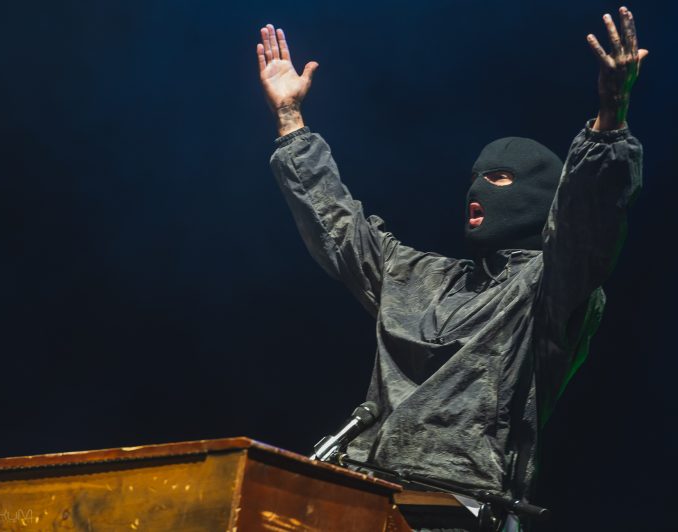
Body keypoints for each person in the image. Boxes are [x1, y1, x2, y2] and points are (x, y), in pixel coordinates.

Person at [257, 6, 647, 530]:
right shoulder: (419, 276)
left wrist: (611, 116)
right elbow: (339, 227)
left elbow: (588, 226)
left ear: (540, 197)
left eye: (500, 178)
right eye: (475, 178)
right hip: (363, 493)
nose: (477, 190)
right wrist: (290, 120)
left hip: (460, 509)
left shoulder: (547, 290)